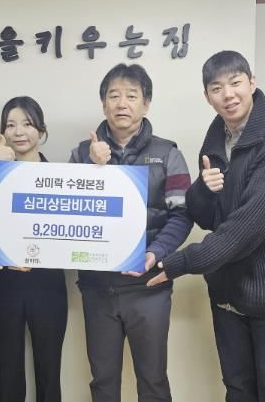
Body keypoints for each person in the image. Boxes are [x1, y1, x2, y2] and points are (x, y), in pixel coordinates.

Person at [148, 50, 265, 402]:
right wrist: (203, 189)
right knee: (237, 390)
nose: (228, 95)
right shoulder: (215, 139)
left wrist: (183, 261)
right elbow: (208, 217)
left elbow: (249, 226)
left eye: (235, 83)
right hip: (227, 293)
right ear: (207, 96)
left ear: (252, 83)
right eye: (217, 88)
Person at [69, 63, 192, 402]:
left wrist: (155, 253)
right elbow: (69, 212)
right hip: (97, 288)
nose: (122, 103)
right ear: (103, 104)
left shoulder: (168, 154)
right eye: (114, 96)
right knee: (103, 381)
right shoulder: (80, 154)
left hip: (149, 287)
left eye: (131, 96)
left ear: (146, 104)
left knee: (153, 381)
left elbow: (182, 216)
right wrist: (92, 167)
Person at [0, 96, 67, 402]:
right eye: (10, 125)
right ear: (3, 133)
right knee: (7, 369)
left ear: (41, 130)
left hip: (48, 284)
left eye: (27, 124)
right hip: (6, 283)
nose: (19, 132)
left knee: (49, 369)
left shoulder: (60, 176)